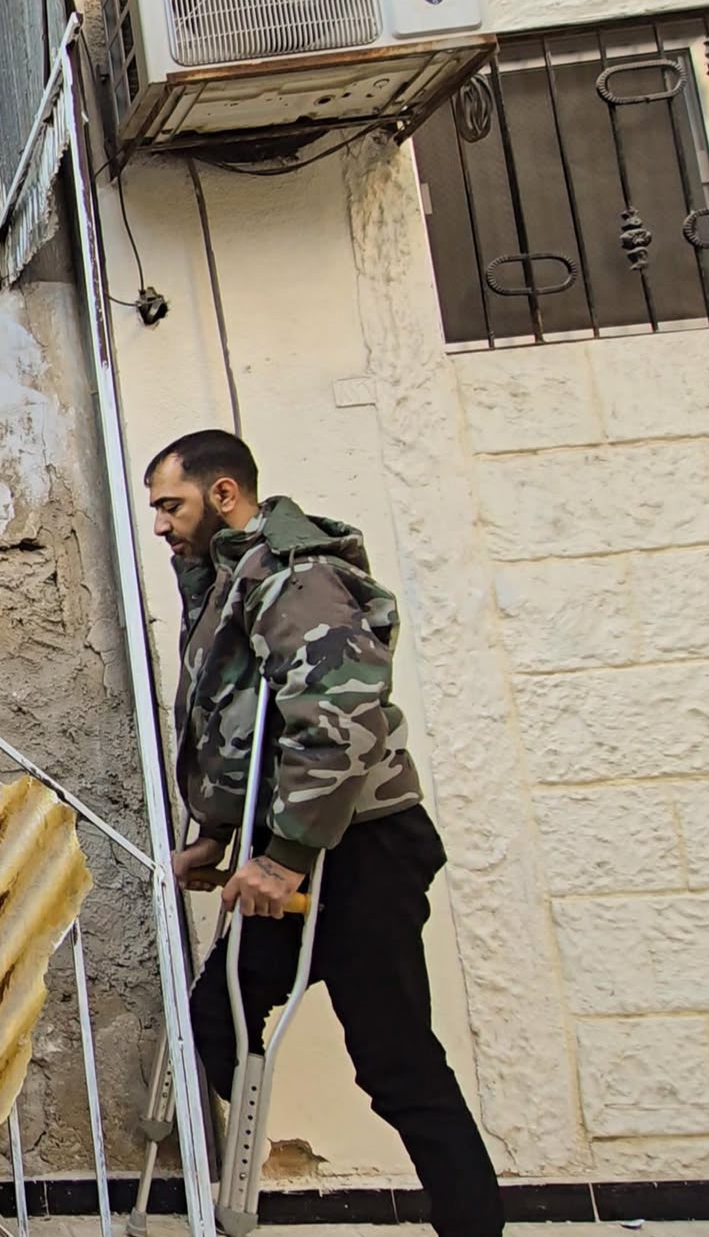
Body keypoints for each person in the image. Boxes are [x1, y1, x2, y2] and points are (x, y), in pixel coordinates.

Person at [145, 428, 502, 1237]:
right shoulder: (229, 581)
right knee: (216, 1021)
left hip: (360, 848)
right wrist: (216, 837)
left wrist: (284, 861)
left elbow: (339, 719)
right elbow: (242, 727)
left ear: (225, 494)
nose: (161, 526)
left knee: (395, 1062)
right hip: (296, 846)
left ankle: (474, 1227)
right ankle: (246, 1184)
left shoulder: (294, 578)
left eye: (172, 505)